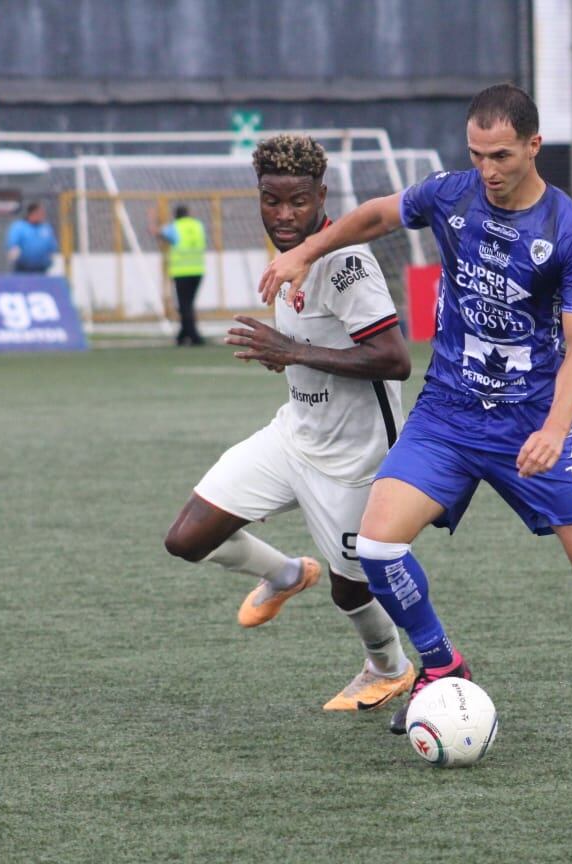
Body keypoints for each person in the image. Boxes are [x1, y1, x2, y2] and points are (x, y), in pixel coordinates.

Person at [259, 84, 572, 744]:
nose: (487, 170)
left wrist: (553, 429)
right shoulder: (452, 195)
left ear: (535, 146)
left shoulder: (569, 232)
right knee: (376, 545)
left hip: (531, 423)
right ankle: (441, 665)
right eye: (477, 154)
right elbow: (374, 216)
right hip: (448, 414)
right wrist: (304, 252)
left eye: (501, 156)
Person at [164, 134, 417, 712]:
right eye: (271, 200)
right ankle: (283, 574)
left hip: (356, 460)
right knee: (188, 539)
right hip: (293, 437)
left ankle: (389, 669)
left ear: (321, 196)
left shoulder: (347, 264)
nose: (283, 215)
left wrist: (292, 351)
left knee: (351, 588)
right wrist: (291, 351)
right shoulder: (288, 254)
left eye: (298, 202)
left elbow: (395, 360)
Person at [151, 204, 208, 346]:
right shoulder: (197, 225)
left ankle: (194, 336)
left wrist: (152, 219)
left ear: (175, 215)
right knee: (188, 304)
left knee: (184, 305)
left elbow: (157, 233)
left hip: (181, 271)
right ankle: (182, 335)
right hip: (198, 270)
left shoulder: (175, 227)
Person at [6, 202, 58, 274]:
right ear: (32, 213)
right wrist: (14, 253)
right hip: (22, 269)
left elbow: (52, 245)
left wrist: (50, 257)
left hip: (41, 269)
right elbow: (13, 244)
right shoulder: (19, 227)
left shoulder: (46, 228)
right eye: (40, 213)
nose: (42, 215)